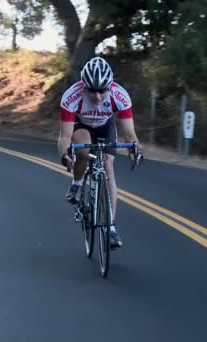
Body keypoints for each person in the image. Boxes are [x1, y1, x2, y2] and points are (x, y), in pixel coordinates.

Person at [57, 56, 143, 249]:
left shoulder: (120, 96)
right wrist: (65, 155)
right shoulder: (72, 97)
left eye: (102, 90)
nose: (97, 97)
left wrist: (135, 151)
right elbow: (64, 137)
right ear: (83, 86)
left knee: (107, 166)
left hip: (105, 126)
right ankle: (77, 183)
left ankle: (111, 228)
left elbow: (130, 134)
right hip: (81, 125)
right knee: (84, 148)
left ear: (110, 86)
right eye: (91, 90)